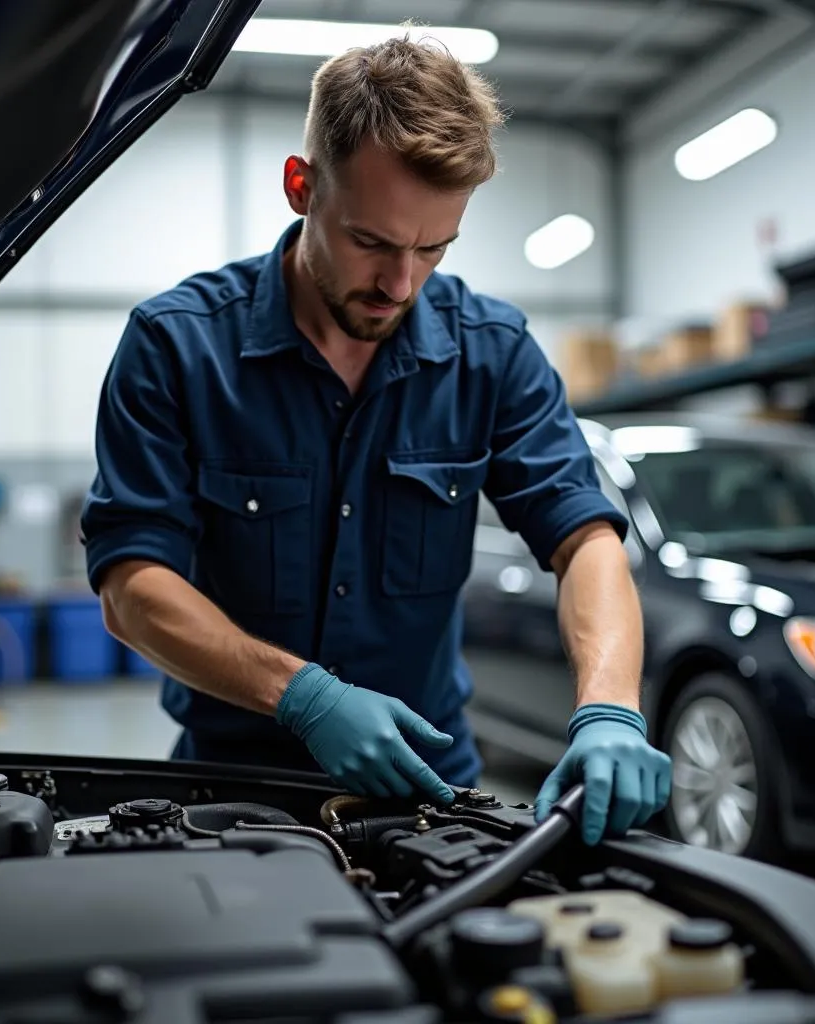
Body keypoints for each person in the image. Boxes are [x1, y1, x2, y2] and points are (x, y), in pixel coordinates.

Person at [80, 33, 672, 846]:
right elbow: (131, 587)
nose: (401, 282)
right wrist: (304, 697)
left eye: (433, 248)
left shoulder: (490, 352)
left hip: (429, 788)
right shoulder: (177, 348)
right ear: (301, 186)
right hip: (232, 790)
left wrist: (609, 708)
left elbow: (587, 540)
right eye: (372, 242)